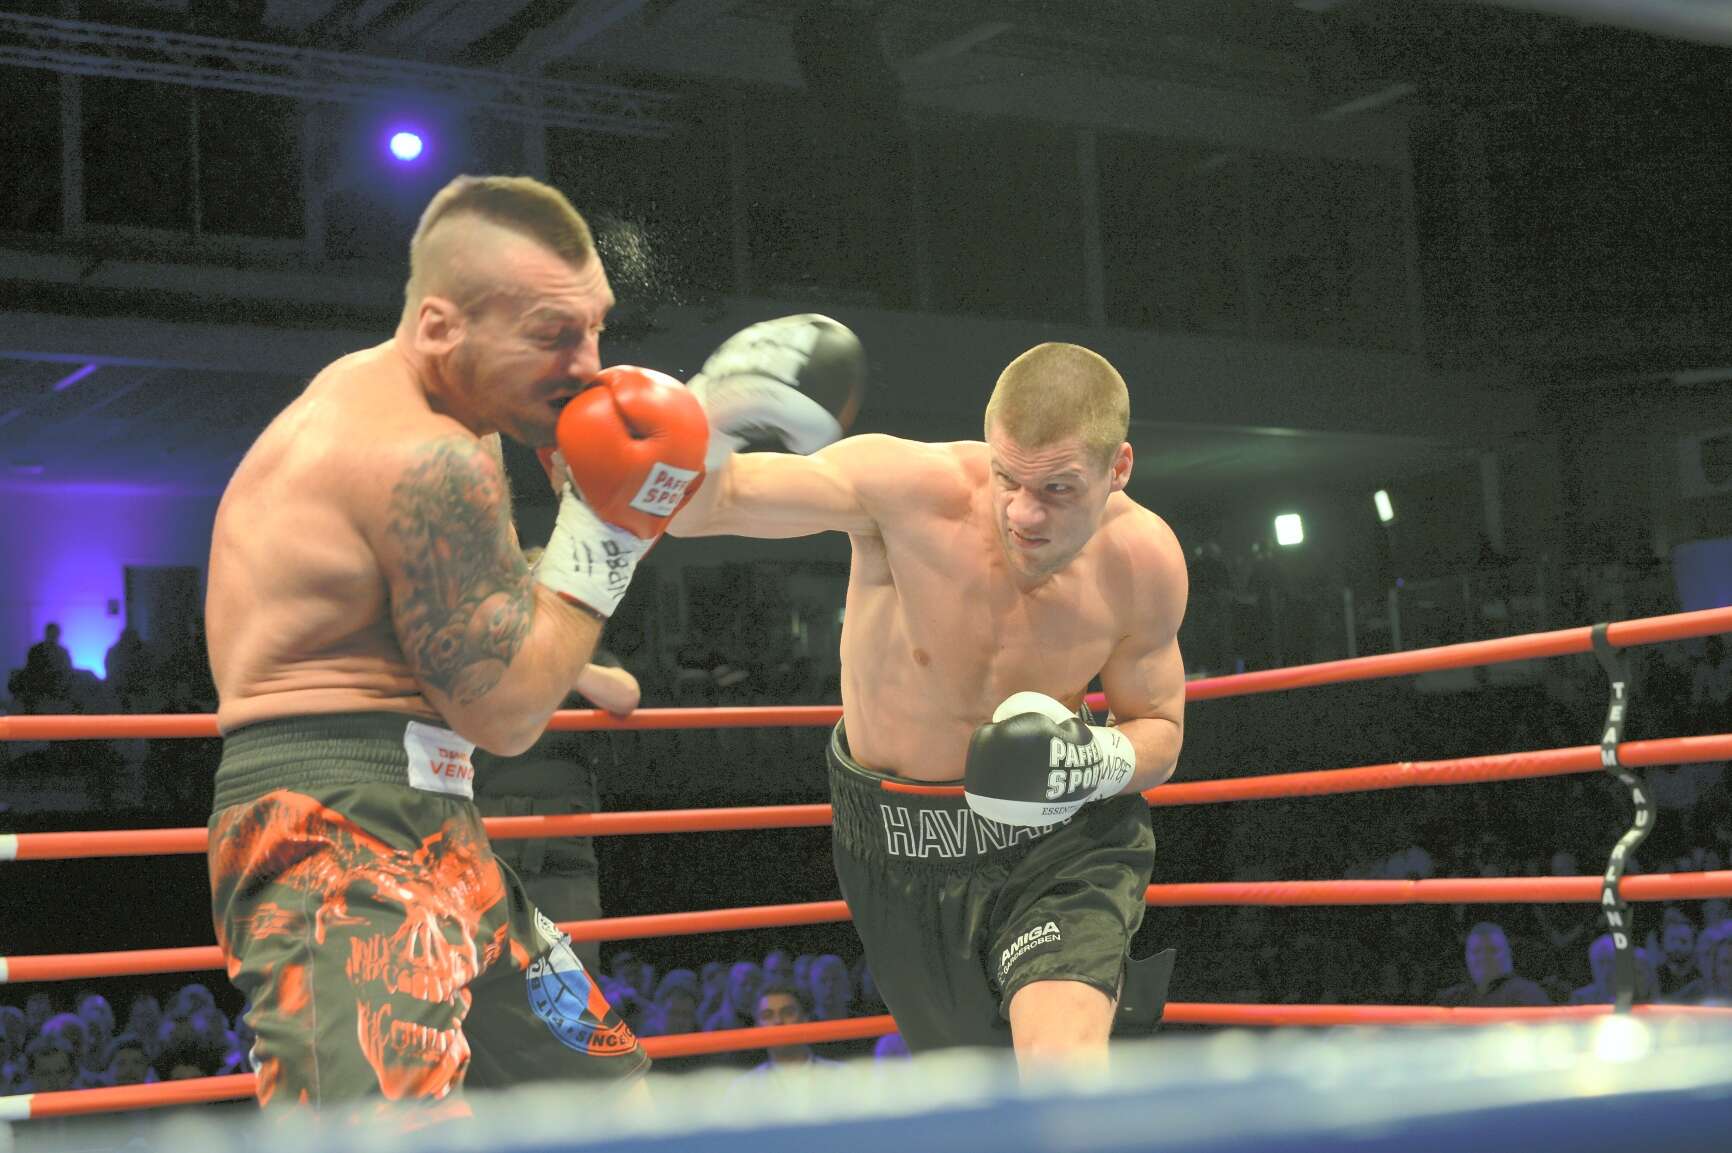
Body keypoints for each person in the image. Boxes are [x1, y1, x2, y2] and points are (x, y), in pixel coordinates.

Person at [201, 174, 722, 1111]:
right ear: (443, 327)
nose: (588, 364)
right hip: (337, 837)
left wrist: (578, 538)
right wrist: (606, 532)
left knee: (609, 1094)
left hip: (443, 827)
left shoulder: (445, 422)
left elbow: (485, 616)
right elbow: (509, 713)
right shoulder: (425, 453)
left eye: (595, 328)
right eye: (553, 335)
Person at [670, 341, 1185, 1067]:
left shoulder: (1143, 560)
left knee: (1060, 1071)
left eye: (1059, 488)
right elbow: (696, 507)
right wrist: (701, 427)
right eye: (1007, 477)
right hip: (898, 845)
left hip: (1057, 849)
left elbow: (1159, 727)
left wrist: (1092, 762)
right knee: (977, 1092)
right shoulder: (907, 489)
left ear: (1119, 468)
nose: (1024, 513)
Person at [1434, 922, 1551, 1007]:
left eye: (1492, 950)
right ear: (1466, 957)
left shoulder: (1527, 994)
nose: (1483, 957)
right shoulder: (1453, 998)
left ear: (1508, 954)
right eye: (1476, 951)